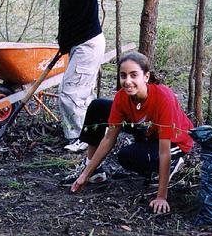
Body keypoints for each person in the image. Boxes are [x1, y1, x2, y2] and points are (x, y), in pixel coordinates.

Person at [65, 52, 194, 214]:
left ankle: (174, 164)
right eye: (123, 76)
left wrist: (162, 196)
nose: (127, 81)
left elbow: (164, 151)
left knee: (130, 156)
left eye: (134, 75)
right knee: (98, 106)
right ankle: (93, 171)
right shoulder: (122, 97)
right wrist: (85, 174)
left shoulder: (163, 98)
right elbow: (109, 138)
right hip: (146, 130)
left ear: (146, 77)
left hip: (175, 141)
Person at [55, 0, 105, 152]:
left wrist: (66, 43)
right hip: (79, 43)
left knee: (69, 91)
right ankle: (93, 134)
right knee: (82, 92)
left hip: (87, 44)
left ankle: (81, 138)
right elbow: (66, 16)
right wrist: (63, 42)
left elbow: (81, 19)